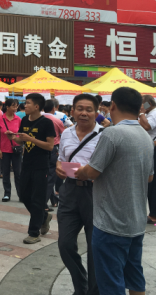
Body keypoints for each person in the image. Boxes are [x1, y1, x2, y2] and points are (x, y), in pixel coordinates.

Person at [76, 87, 154, 295]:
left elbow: (92, 171)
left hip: (111, 223)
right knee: (135, 276)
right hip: (136, 221)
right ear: (139, 108)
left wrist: (78, 171)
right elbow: (150, 177)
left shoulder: (112, 133)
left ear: (113, 106)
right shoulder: (145, 136)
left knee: (111, 282)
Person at [55, 94, 102, 295]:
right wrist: (58, 166)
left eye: (89, 109)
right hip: (70, 191)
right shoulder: (66, 133)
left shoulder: (105, 136)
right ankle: (81, 286)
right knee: (65, 244)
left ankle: (93, 291)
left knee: (94, 247)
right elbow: (61, 158)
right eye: (80, 109)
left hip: (95, 193)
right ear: (72, 111)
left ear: (96, 113)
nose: (84, 113)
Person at [8, 93, 56, 244]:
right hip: (26, 164)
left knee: (37, 199)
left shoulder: (46, 123)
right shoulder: (24, 120)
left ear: (36, 106)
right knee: (24, 195)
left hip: (41, 166)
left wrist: (31, 139)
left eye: (28, 103)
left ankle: (34, 233)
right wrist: (13, 138)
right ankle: (44, 216)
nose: (25, 105)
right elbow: (21, 141)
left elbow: (50, 146)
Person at [138, 95, 156, 224]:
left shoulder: (155, 113)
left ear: (148, 103)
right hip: (153, 150)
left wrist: (141, 113)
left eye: (142, 104)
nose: (141, 106)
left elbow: (146, 127)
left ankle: (155, 214)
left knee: (155, 183)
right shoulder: (151, 113)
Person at [0, 98, 22, 202]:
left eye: (16, 106)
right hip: (4, 150)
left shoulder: (18, 119)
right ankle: (7, 193)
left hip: (16, 149)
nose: (15, 108)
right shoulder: (0, 119)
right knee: (5, 172)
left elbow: (21, 135)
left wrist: (15, 137)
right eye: (13, 106)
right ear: (7, 107)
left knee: (18, 173)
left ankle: (21, 194)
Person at [44, 99, 65, 210]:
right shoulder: (57, 121)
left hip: (40, 149)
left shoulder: (38, 119)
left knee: (46, 176)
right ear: (54, 108)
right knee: (51, 177)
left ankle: (53, 200)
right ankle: (44, 203)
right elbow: (65, 134)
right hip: (53, 149)